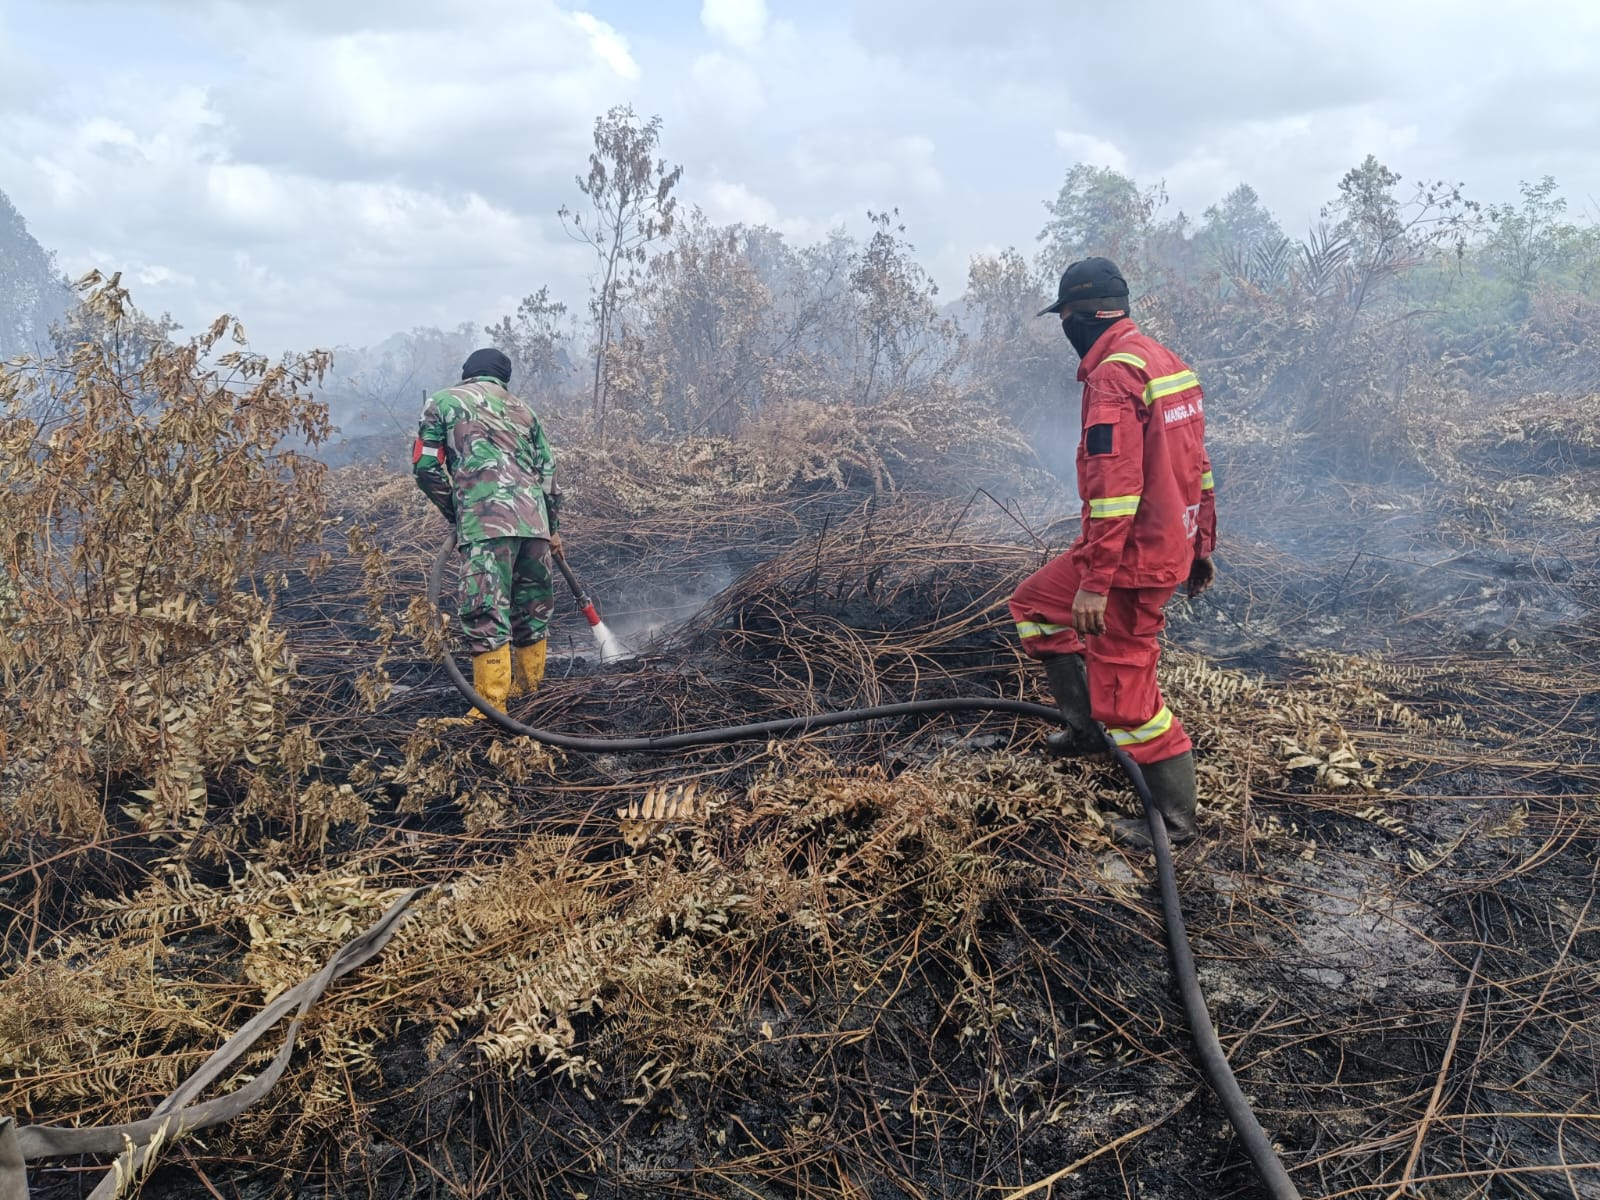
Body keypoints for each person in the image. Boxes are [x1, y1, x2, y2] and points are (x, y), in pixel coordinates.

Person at [1009, 258, 1217, 848]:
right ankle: (1083, 733)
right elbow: (1197, 469)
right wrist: (1201, 546)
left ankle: (1175, 823)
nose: (1064, 328)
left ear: (1076, 316)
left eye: (1065, 318)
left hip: (1129, 562)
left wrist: (1096, 582)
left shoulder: (1114, 378)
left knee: (1129, 697)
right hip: (1158, 542)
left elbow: (1114, 492)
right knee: (1034, 606)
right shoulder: (1165, 362)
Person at [413, 347, 563, 720]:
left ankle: (492, 707)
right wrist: (552, 528)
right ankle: (530, 691)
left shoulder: (443, 402)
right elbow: (548, 474)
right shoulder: (523, 409)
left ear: (467, 372)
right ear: (503, 378)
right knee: (532, 607)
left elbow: (426, 466)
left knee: (486, 610)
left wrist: (457, 511)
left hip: (486, 524)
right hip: (535, 525)